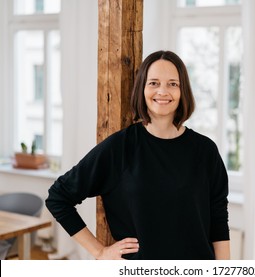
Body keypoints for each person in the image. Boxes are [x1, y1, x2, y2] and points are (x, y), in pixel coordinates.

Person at [45, 50, 230, 260]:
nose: (163, 91)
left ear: (183, 91)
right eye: (153, 83)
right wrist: (99, 252)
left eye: (172, 84)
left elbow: (218, 219)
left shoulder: (205, 151)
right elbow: (58, 197)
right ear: (142, 88)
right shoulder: (120, 147)